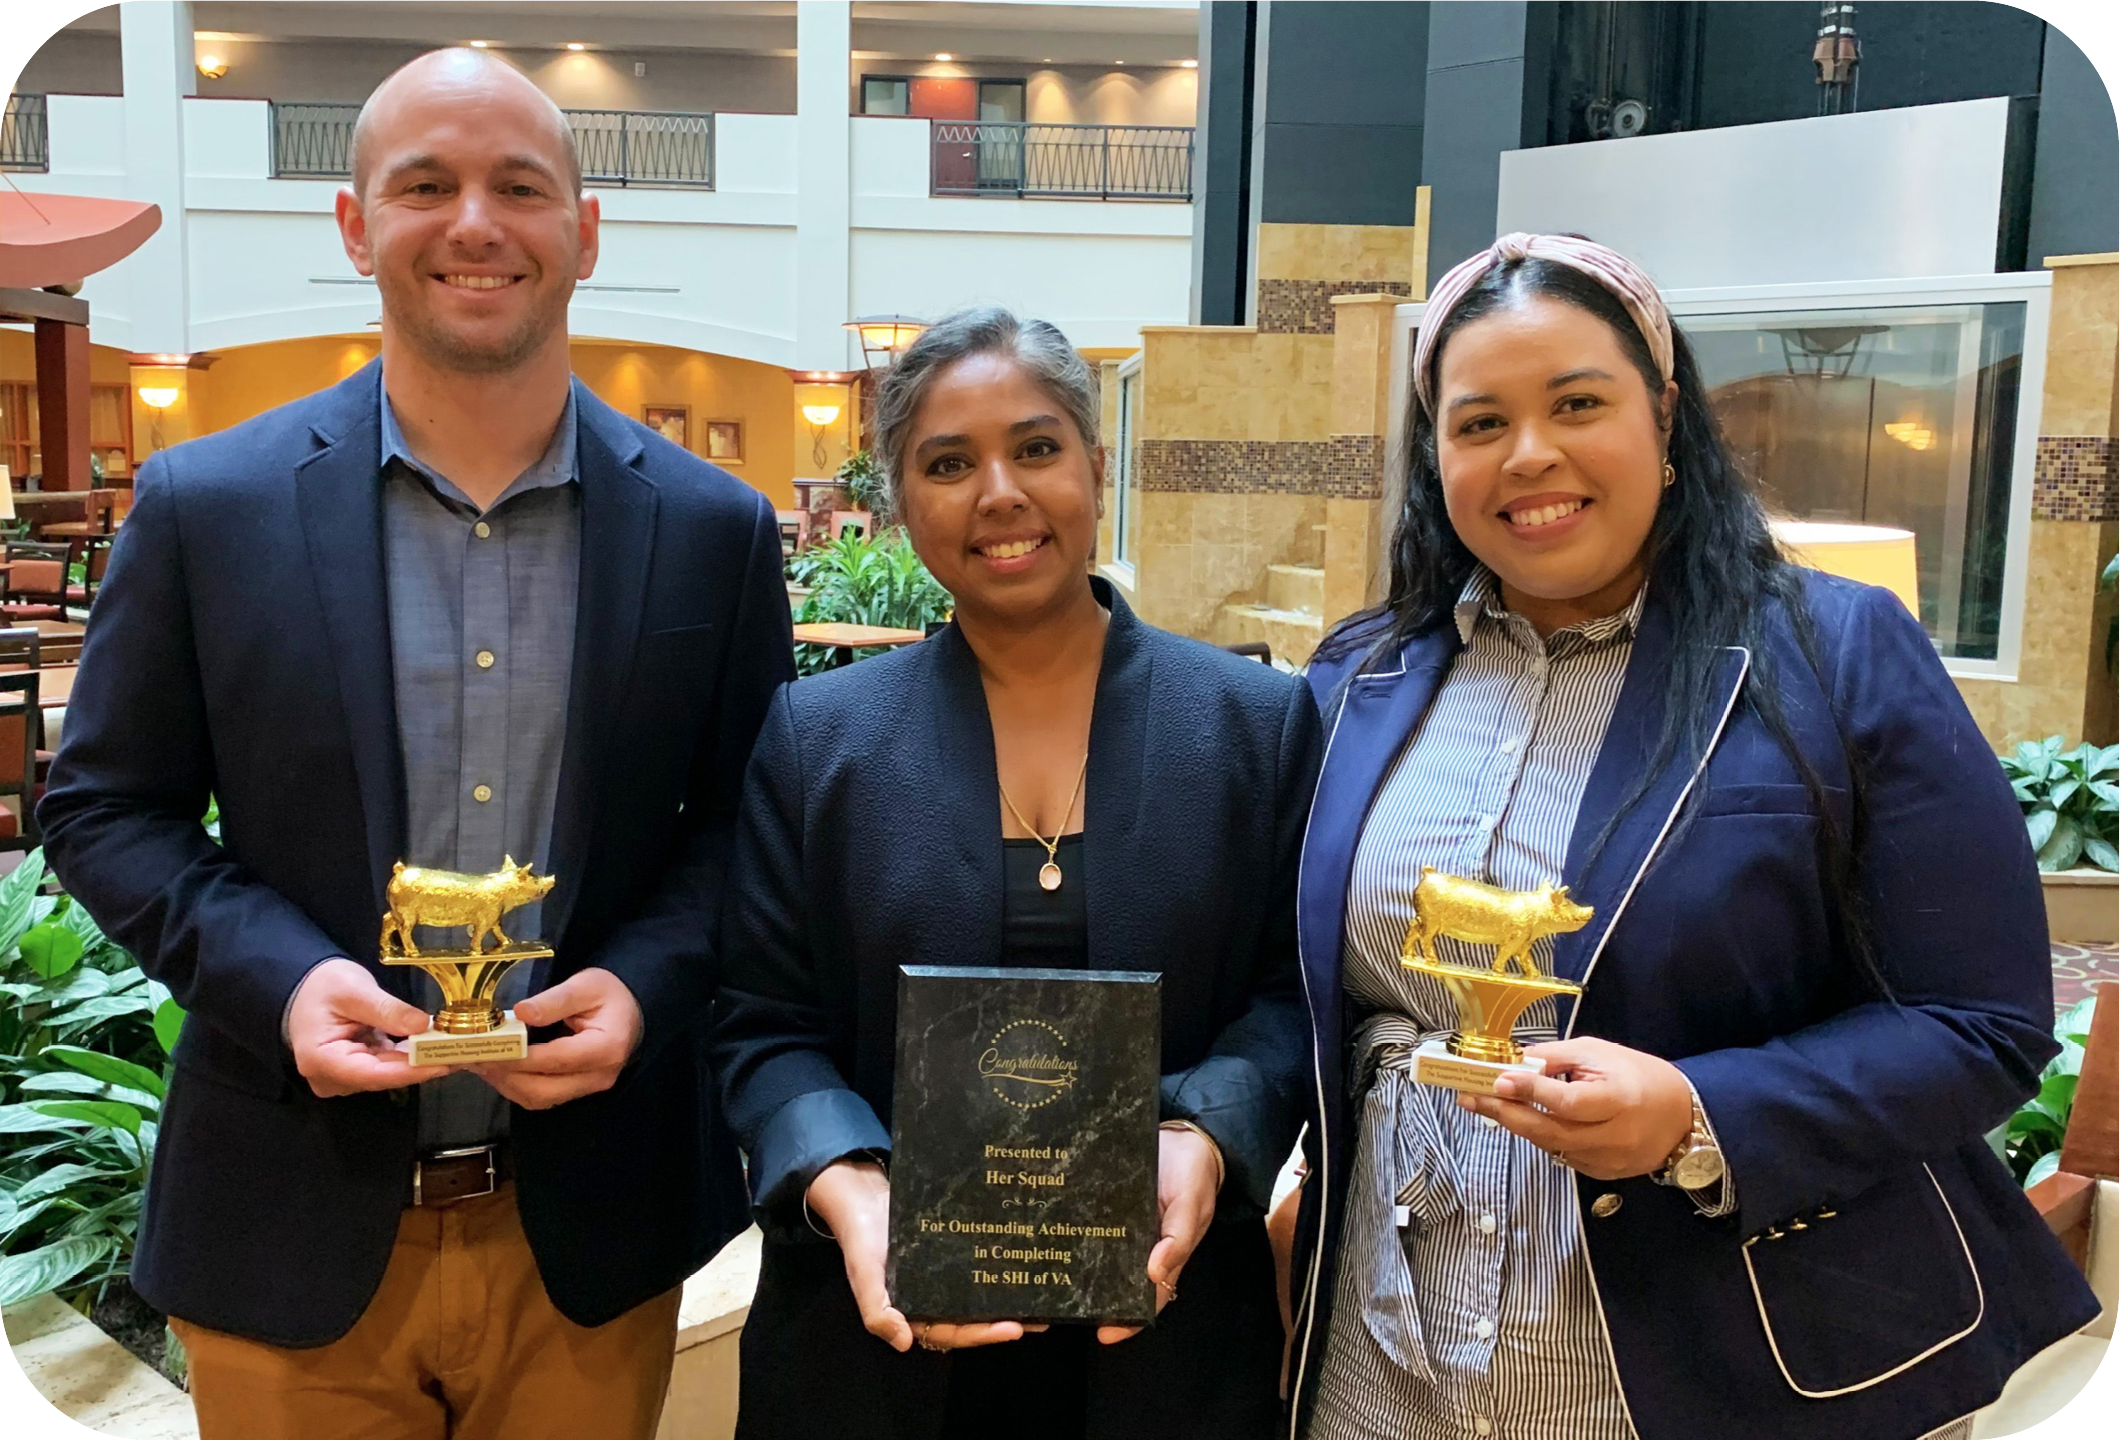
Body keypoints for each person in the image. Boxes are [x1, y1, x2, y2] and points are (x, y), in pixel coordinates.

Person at [38, 49, 791, 1440]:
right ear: (352, 224)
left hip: (589, 1239)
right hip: (286, 1224)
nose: (474, 224)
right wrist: (281, 980)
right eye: (424, 186)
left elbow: (749, 830)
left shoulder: (710, 530)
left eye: (518, 186)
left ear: (584, 229)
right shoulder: (210, 508)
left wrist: (642, 986)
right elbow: (99, 810)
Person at [1288, 233, 2098, 1440]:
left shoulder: (1837, 654)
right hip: (1387, 1345)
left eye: (1578, 403)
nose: (1530, 456)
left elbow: (1983, 1025)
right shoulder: (1362, 675)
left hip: (1715, 1352)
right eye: (1478, 423)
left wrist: (1703, 1112)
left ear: (1665, 418)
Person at [708, 306, 1319, 1440]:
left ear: (1096, 462)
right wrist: (853, 1193)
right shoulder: (819, 741)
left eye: (1035, 448)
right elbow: (759, 1024)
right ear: (901, 501)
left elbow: (1295, 999)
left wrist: (1203, 1136)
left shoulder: (1254, 725)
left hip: (1168, 1345)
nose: (999, 491)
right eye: (949, 463)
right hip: (870, 1352)